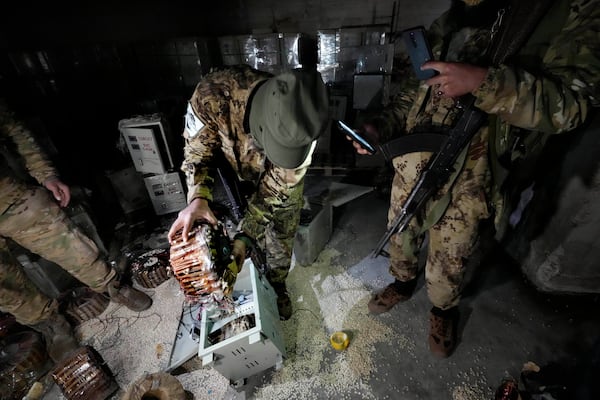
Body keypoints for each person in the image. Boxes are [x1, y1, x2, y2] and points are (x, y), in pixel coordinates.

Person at [350, 0, 600, 357]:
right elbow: (412, 92)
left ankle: (442, 310)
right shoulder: (450, 21)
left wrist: (484, 83)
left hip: (474, 171)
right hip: (413, 164)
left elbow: (573, 105)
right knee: (401, 233)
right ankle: (402, 284)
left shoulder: (565, 10)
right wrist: (381, 127)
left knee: (451, 255)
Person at [167, 64, 329, 320]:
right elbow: (198, 153)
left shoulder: (303, 127)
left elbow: (275, 190)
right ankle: (258, 269)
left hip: (279, 185)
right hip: (238, 173)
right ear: (259, 133)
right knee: (243, 226)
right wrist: (198, 198)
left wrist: (244, 238)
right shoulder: (212, 95)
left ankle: (277, 284)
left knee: (282, 233)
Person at [0, 100, 153, 363]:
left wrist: (45, 175)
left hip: (8, 197)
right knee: (5, 288)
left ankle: (113, 286)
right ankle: (52, 327)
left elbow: (14, 129)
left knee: (67, 241)